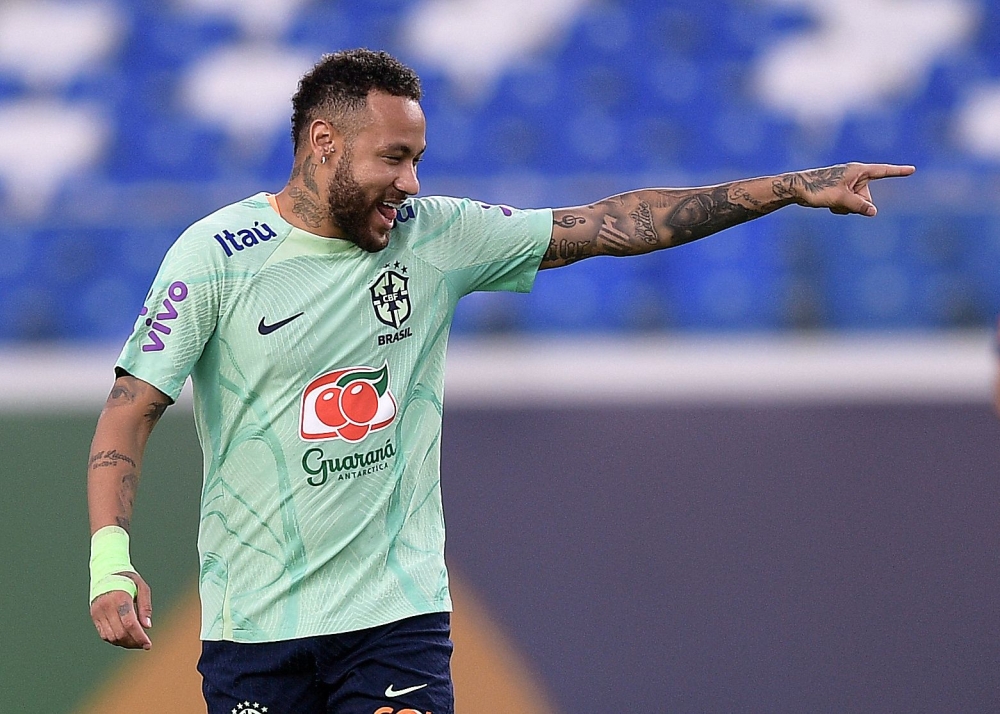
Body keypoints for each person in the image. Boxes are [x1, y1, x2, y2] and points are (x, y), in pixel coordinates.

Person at [86, 47, 915, 714]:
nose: (411, 183)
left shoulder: (436, 236)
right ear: (324, 145)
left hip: (394, 616)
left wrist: (788, 188)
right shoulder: (215, 257)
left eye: (418, 160)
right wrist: (110, 561)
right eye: (395, 158)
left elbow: (611, 226)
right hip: (253, 627)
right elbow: (129, 413)